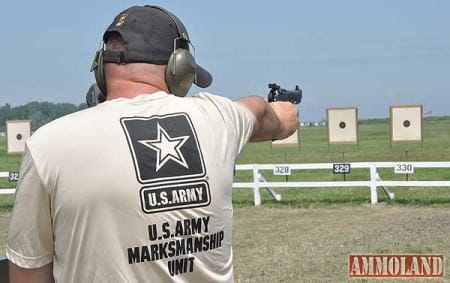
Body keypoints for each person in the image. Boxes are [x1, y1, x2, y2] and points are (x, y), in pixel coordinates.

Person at [6, 5, 298, 283]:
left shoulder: (48, 144)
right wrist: (283, 119)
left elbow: (27, 272)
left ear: (100, 68)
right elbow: (261, 110)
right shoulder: (220, 119)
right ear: (180, 68)